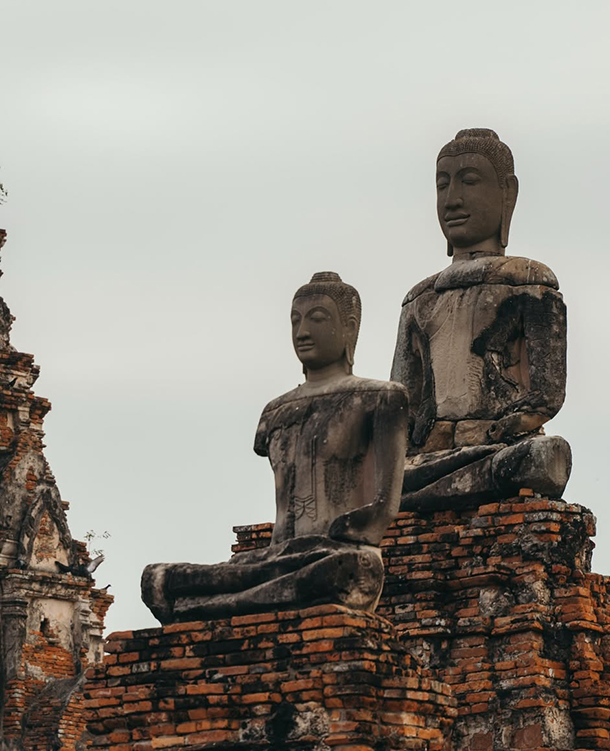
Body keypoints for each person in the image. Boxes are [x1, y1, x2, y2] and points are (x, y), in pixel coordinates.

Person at [142, 272, 407, 623]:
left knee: (343, 571)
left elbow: (384, 507)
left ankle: (207, 607)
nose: (302, 332)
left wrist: (349, 532)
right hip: (274, 558)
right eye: (295, 321)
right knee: (156, 578)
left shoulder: (379, 398)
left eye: (317, 319)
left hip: (336, 555)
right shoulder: (276, 411)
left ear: (349, 327)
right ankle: (234, 599)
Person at [391, 129, 571, 510]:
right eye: (443, 185)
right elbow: (401, 411)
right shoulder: (418, 300)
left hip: (496, 449)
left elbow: (546, 395)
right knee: (376, 479)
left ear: (508, 194)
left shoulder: (528, 283)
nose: (453, 199)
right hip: (430, 458)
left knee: (544, 458)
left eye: (469, 182)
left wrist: (505, 428)